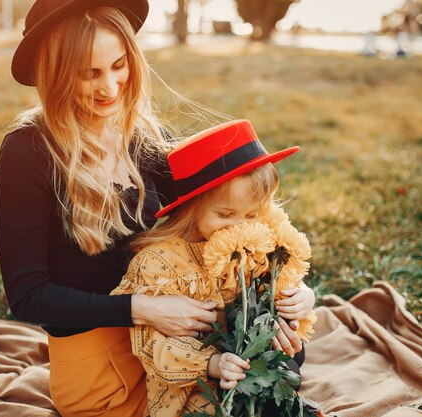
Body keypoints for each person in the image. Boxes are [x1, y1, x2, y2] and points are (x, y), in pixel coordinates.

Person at [0, 1, 305, 416]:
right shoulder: (28, 150)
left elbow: (228, 218)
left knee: (282, 364)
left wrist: (292, 290)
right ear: (55, 73)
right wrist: (143, 309)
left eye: (118, 65)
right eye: (89, 74)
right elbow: (28, 295)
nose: (110, 88)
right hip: (106, 374)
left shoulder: (146, 138)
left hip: (188, 346)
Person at [111, 120, 316, 416]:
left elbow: (281, 281)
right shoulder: (159, 263)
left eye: (251, 213)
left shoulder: (257, 237)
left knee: (286, 357)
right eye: (225, 214)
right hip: (199, 380)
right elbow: (152, 348)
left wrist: (302, 297)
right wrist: (213, 364)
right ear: (191, 207)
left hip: (251, 354)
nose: (241, 226)